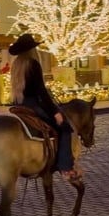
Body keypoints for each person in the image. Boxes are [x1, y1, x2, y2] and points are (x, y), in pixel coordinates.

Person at [9, 33, 80, 181]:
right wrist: (55, 112)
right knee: (65, 128)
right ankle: (65, 167)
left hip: (18, 104)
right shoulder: (32, 64)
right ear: (31, 50)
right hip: (33, 105)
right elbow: (41, 91)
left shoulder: (16, 65)